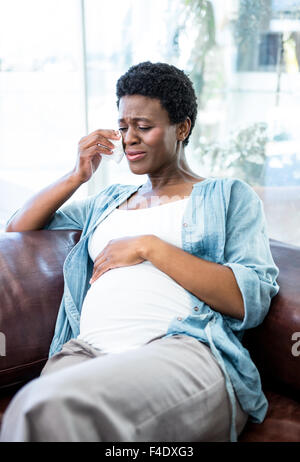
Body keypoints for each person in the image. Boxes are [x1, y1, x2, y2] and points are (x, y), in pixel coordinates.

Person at [1, 61, 279, 442]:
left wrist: (150, 248)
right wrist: (77, 175)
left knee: (46, 409)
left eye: (143, 127)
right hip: (86, 353)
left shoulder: (228, 196)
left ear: (182, 128)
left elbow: (249, 299)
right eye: (122, 127)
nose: (129, 138)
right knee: (31, 413)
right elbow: (19, 227)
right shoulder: (109, 202)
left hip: (181, 349)